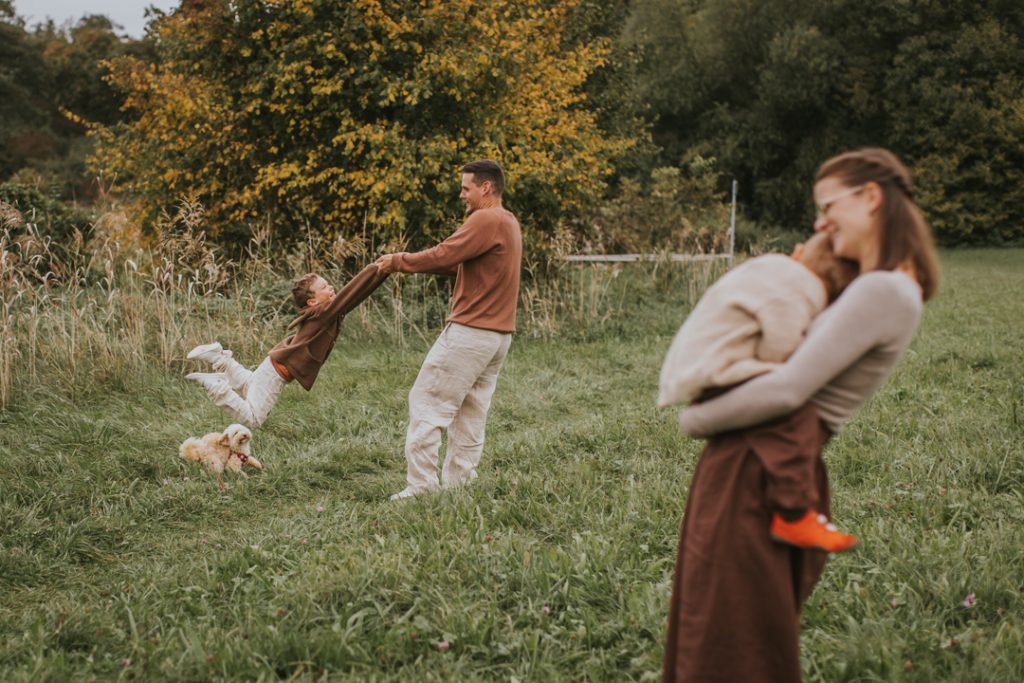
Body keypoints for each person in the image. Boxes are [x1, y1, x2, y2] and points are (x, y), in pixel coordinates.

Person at [662, 148, 940, 683]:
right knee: (731, 630)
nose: (819, 221)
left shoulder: (885, 288)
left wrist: (693, 421)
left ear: (872, 197)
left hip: (757, 467)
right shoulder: (886, 286)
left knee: (731, 644)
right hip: (765, 462)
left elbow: (789, 389)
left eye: (828, 205)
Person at [659, 231, 861, 552]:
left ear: (798, 251)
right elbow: (780, 346)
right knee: (793, 422)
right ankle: (793, 514)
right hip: (724, 370)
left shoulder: (771, 269)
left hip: (703, 365)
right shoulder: (801, 290)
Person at [375, 159, 522, 501]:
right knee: (471, 411)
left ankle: (422, 487)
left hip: (470, 333)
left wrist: (399, 261)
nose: (462, 195)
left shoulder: (485, 218)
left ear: (486, 187)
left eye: (466, 188)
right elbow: (462, 264)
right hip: (498, 338)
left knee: (427, 403)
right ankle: (460, 483)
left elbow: (445, 253)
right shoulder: (509, 222)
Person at [185, 264, 387, 428]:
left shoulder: (325, 312)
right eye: (324, 287)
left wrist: (382, 273)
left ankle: (219, 357)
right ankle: (216, 387)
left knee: (248, 384)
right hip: (275, 373)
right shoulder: (324, 312)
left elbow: (353, 298)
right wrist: (373, 269)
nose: (331, 288)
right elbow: (350, 293)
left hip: (272, 365)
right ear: (312, 301)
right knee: (254, 419)